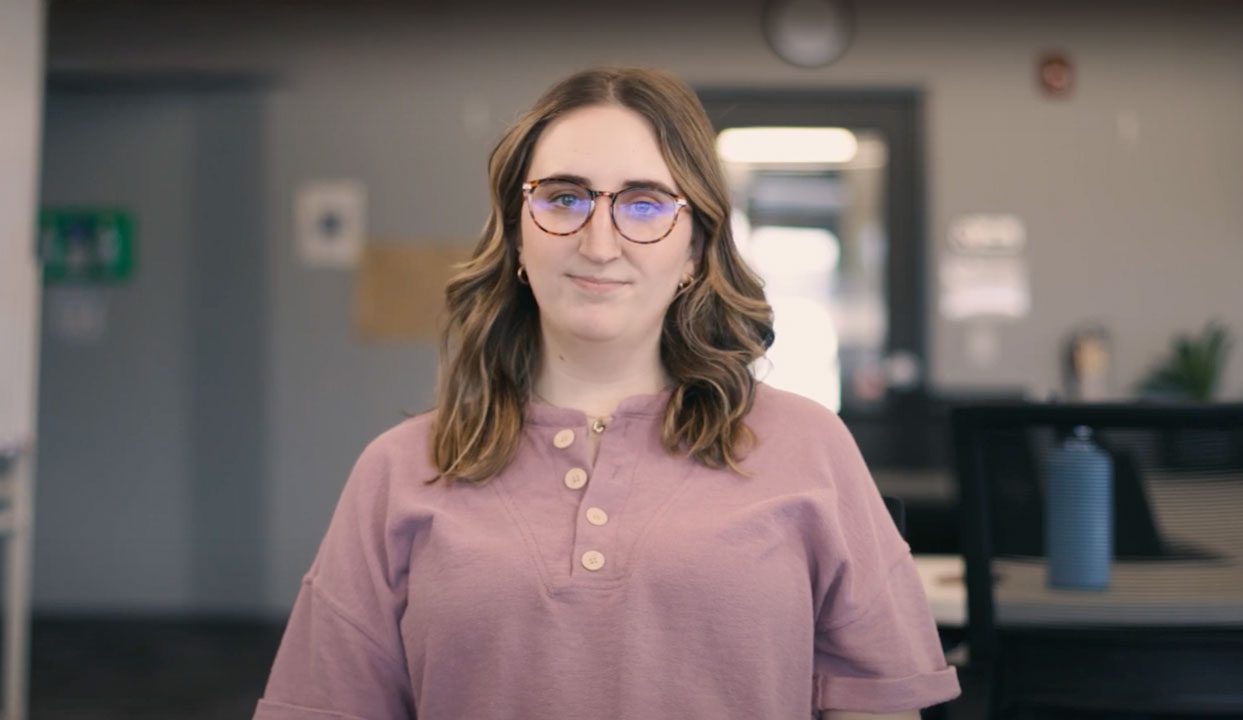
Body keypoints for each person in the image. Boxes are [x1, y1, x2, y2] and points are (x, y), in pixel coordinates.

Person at [254, 67, 959, 720]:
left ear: (694, 248)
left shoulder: (809, 447)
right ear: (515, 236)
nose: (599, 243)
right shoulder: (399, 469)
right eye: (564, 198)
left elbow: (879, 707)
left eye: (645, 204)